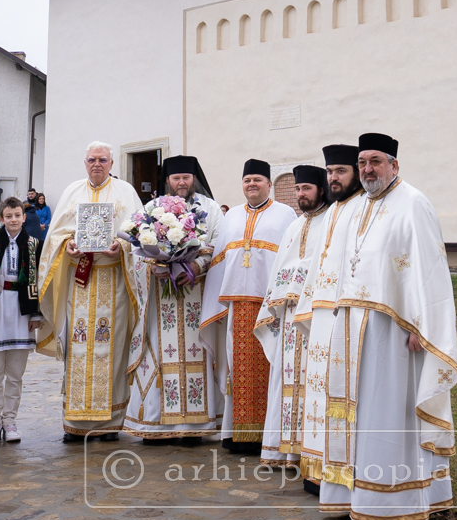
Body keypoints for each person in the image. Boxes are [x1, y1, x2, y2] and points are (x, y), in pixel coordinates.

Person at [309, 133, 457, 520]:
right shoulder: (358, 206)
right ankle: (350, 493)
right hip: (351, 327)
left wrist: (421, 327)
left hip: (394, 330)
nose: (367, 170)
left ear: (394, 164)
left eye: (375, 161)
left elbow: (430, 271)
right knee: (353, 413)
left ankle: (396, 497)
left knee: (387, 411)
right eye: (362, 163)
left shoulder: (413, 203)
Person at [36, 141, 143, 441]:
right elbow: (56, 235)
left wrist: (120, 246)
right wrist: (66, 245)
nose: (97, 164)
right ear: (85, 163)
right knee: (77, 346)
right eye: (92, 159)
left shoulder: (126, 194)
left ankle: (110, 421)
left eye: (103, 160)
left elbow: (139, 235)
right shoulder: (72, 192)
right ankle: (76, 421)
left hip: (115, 281)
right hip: (79, 285)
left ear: (111, 164)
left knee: (114, 348)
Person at [124, 155, 222, 442]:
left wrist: (196, 266)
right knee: (158, 355)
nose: (181, 182)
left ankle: (195, 424)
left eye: (186, 178)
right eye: (176, 178)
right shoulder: (152, 208)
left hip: (196, 293)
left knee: (197, 352)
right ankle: (155, 424)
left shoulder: (211, 208)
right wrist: (153, 267)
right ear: (167, 180)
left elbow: (219, 246)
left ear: (195, 179)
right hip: (161, 301)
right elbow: (135, 250)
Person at [205, 159, 297, 454]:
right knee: (236, 368)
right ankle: (236, 433)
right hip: (238, 306)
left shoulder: (285, 215)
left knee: (270, 365)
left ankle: (268, 435)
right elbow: (220, 259)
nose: (252, 185)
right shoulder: (231, 216)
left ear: (269, 184)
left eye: (258, 180)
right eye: (247, 181)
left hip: (270, 306)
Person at [297, 143, 375, 493]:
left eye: (340, 171)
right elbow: (318, 263)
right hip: (322, 314)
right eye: (330, 172)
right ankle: (318, 470)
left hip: (346, 314)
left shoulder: (364, 207)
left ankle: (342, 475)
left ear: (356, 174)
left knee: (341, 394)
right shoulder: (333, 210)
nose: (333, 178)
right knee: (318, 393)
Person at [256, 163, 329, 474]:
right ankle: (283, 451)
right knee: (286, 380)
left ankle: (309, 452)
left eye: (306, 189)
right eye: (298, 189)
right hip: (287, 318)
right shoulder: (294, 226)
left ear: (321, 190)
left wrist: (297, 279)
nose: (301, 194)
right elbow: (278, 269)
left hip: (313, 317)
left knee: (312, 381)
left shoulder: (332, 221)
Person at [0, 196, 41, 444]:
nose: (13, 220)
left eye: (17, 215)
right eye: (8, 216)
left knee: (15, 374)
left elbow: (39, 278)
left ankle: (11, 421)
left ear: (23, 217)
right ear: (1, 218)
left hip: (21, 309)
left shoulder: (35, 244)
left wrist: (37, 313)